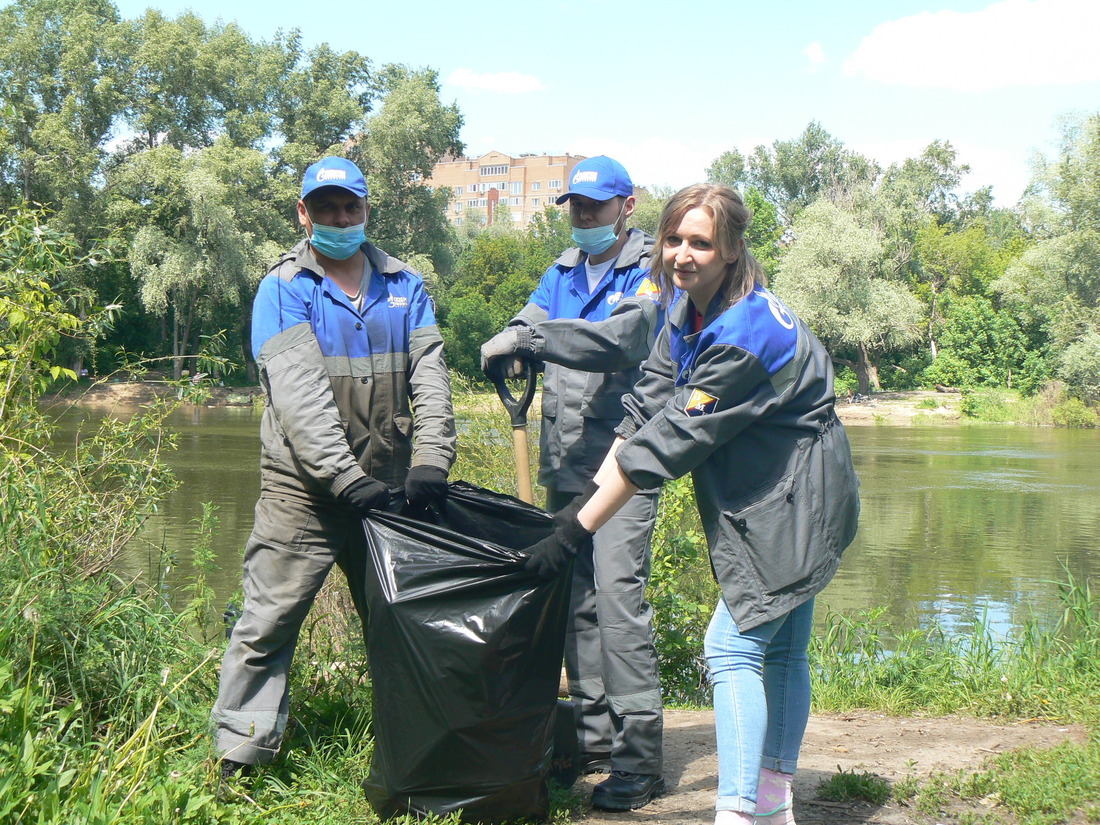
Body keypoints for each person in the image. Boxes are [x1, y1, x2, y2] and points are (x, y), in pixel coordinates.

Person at [521, 183, 860, 825]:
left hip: (800, 497)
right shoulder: (686, 308)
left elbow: (670, 441)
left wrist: (575, 528)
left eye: (700, 242)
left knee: (732, 648)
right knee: (780, 650)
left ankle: (738, 813)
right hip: (774, 490)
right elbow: (647, 403)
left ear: (731, 249)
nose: (682, 254)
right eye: (674, 238)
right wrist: (587, 505)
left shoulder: (744, 331)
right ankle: (771, 803)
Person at [212, 156, 456, 776]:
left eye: (350, 207)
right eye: (325, 208)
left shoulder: (407, 284)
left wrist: (431, 458)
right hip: (305, 490)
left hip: (392, 487)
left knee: (401, 622)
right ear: (304, 214)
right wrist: (346, 480)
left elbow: (429, 377)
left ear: (367, 210)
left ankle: (415, 753)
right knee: (268, 621)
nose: (339, 217)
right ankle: (241, 759)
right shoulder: (284, 288)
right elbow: (298, 398)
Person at [480, 156, 666, 810]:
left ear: (627, 205)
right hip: (563, 462)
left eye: (596, 205)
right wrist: (505, 338)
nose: (584, 216)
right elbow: (524, 320)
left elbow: (620, 340)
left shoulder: (650, 271)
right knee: (576, 597)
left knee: (617, 595)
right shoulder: (560, 271)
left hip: (624, 462)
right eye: (575, 207)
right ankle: (589, 742)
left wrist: (533, 335)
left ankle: (640, 757)